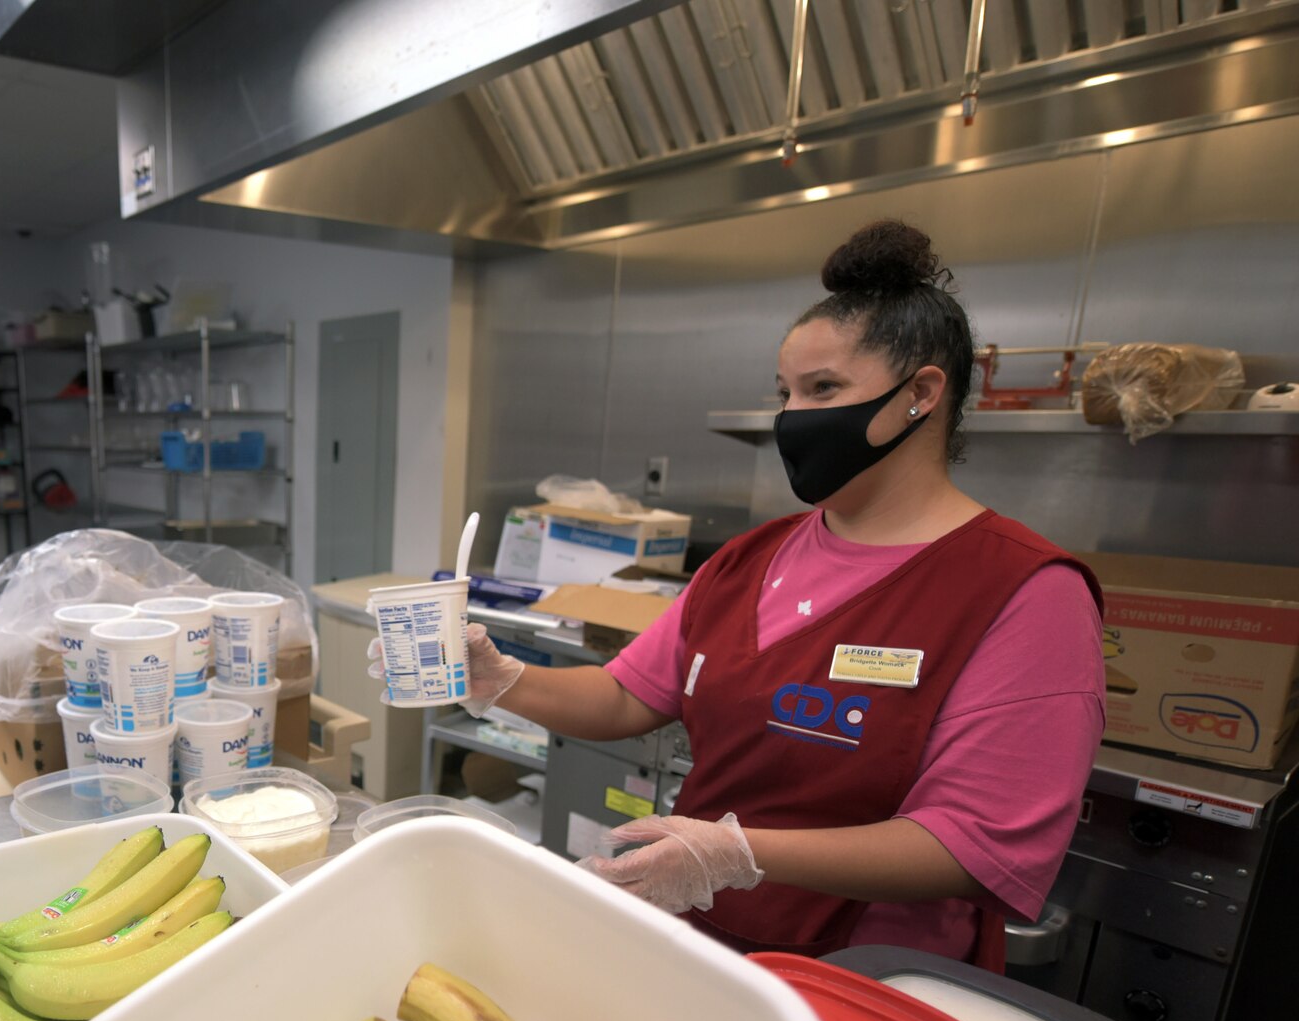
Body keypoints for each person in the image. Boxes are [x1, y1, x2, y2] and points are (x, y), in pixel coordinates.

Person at [416, 220, 1103, 966]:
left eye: (824, 389)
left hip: (872, 978)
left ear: (922, 394)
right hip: (702, 945)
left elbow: (975, 844)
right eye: (785, 392)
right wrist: (501, 680)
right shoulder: (753, 559)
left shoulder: (1024, 592)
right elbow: (624, 697)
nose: (793, 417)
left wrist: (738, 853)